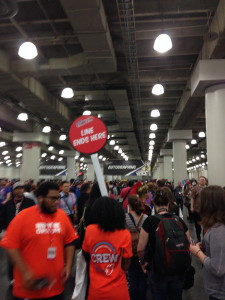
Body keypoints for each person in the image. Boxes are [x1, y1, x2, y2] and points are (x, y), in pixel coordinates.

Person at [1, 181, 78, 300]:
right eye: (52, 198)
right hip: (29, 288)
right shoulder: (23, 217)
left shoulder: (62, 216)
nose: (57, 202)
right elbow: (11, 246)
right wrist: (25, 272)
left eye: (58, 198)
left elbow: (70, 241)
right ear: (40, 198)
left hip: (56, 286)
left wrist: (68, 265)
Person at [137, 189, 190, 300]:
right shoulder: (179, 220)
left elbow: (140, 248)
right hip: (178, 268)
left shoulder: (149, 221)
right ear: (169, 203)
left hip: (157, 269)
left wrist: (142, 262)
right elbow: (188, 243)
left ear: (154, 203)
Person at [82, 196, 132, 300]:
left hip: (96, 290)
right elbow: (126, 264)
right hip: (118, 290)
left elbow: (86, 253)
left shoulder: (90, 230)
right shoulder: (124, 234)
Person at [190, 185, 225, 300]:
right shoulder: (217, 225)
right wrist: (206, 247)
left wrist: (198, 252)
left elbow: (218, 268)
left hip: (219, 292)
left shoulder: (217, 229)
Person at [125, 194, 148, 300]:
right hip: (143, 250)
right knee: (143, 276)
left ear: (129, 205)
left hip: (130, 250)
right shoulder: (146, 218)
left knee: (132, 276)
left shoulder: (125, 218)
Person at [191, 176, 207, 241]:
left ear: (205, 181)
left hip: (205, 210)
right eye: (201, 180)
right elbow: (192, 198)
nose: (202, 181)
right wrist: (191, 206)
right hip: (197, 209)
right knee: (197, 225)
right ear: (198, 181)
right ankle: (198, 238)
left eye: (203, 180)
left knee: (205, 225)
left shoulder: (207, 188)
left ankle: (205, 238)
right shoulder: (195, 188)